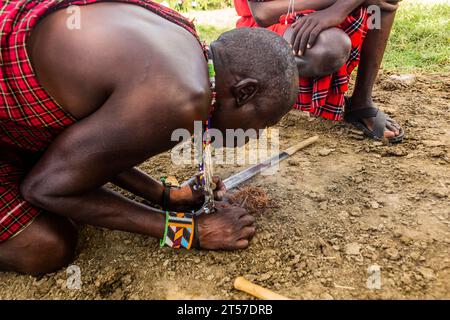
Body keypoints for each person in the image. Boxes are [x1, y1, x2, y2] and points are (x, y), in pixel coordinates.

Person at [0, 0, 298, 275]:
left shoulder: (184, 40)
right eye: (264, 122)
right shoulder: (183, 98)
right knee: (46, 247)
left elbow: (97, 146)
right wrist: (189, 231)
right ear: (244, 92)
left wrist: (165, 194)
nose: (255, 135)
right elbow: (44, 188)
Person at [234, 0, 404, 142]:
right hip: (272, 24)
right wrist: (336, 8)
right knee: (331, 48)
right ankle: (262, 82)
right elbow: (263, 13)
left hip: (319, 12)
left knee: (383, 1)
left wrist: (338, 9)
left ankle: (361, 101)